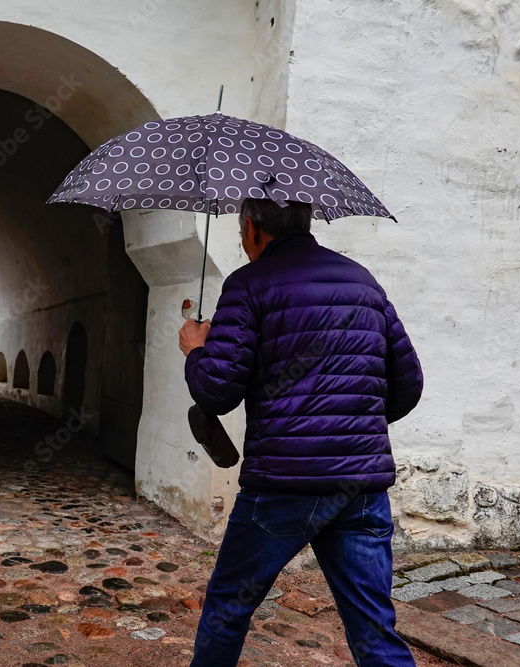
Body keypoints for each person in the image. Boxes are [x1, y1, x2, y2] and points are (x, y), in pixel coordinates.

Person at [179, 197, 423, 667]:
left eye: (239, 232)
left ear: (252, 229)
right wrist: (351, 429)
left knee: (229, 607)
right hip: (359, 485)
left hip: (283, 485)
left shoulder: (248, 285)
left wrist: (195, 348)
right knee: (374, 626)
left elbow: (216, 392)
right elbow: (407, 384)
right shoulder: (363, 282)